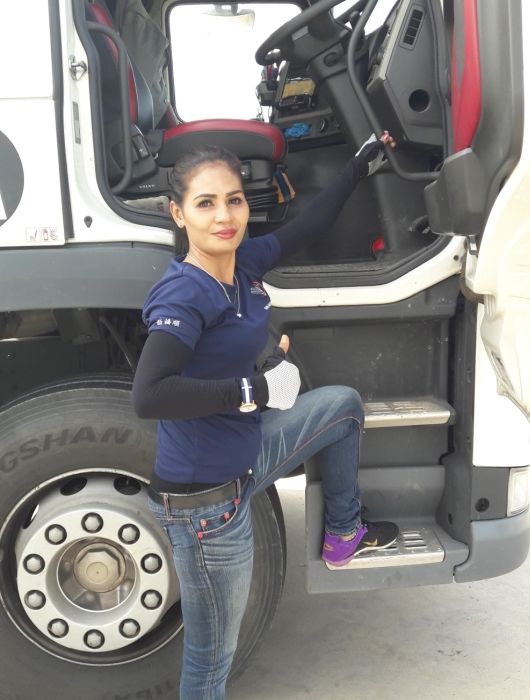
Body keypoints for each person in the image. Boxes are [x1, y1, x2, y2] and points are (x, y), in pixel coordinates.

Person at [132, 133, 399, 700]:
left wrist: (359, 165)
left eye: (234, 200)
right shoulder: (184, 294)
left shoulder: (242, 264)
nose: (224, 216)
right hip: (207, 506)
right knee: (211, 663)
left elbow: (307, 227)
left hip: (246, 457)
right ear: (178, 214)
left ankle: (343, 535)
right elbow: (150, 395)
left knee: (342, 405)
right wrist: (254, 388)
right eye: (205, 203)